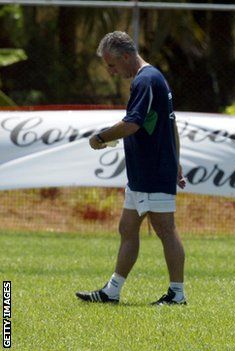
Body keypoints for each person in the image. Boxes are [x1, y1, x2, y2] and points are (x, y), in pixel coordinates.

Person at [76, 31, 187, 306]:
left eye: (112, 65)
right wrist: (178, 161)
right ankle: (112, 291)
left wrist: (100, 137)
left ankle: (177, 293)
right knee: (127, 227)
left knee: (165, 229)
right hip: (144, 172)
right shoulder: (150, 79)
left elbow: (133, 123)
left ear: (126, 57)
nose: (111, 72)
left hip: (153, 170)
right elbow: (170, 124)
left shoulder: (146, 80)